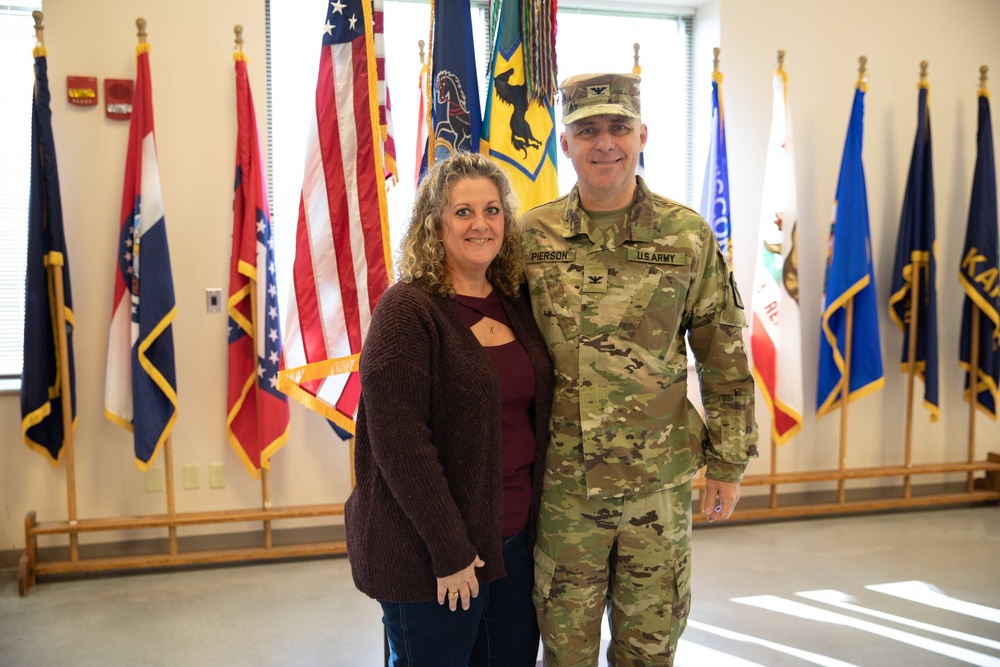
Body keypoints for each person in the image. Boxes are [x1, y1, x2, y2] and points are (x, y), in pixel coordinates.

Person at [519, 73, 759, 666]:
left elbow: (724, 356)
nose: (605, 144)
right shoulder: (529, 237)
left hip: (658, 488)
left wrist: (729, 463)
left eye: (619, 127)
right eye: (587, 130)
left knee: (649, 650)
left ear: (642, 134)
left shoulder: (687, 237)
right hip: (562, 488)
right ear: (566, 143)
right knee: (565, 650)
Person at [345, 151, 553, 667]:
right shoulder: (407, 310)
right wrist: (451, 551)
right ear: (434, 225)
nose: (481, 223)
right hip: (434, 555)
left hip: (515, 545)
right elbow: (401, 447)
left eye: (492, 209)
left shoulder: (515, 303)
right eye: (463, 212)